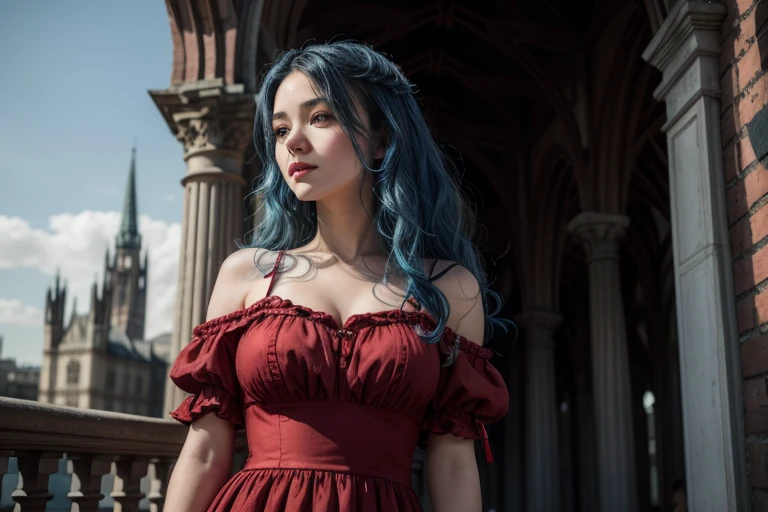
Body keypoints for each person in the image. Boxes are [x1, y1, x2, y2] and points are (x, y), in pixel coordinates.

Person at [163, 40, 511, 512]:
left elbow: (452, 461)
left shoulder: (450, 287)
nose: (293, 141)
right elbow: (204, 451)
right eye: (280, 128)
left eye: (320, 117)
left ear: (383, 137)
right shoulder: (248, 274)